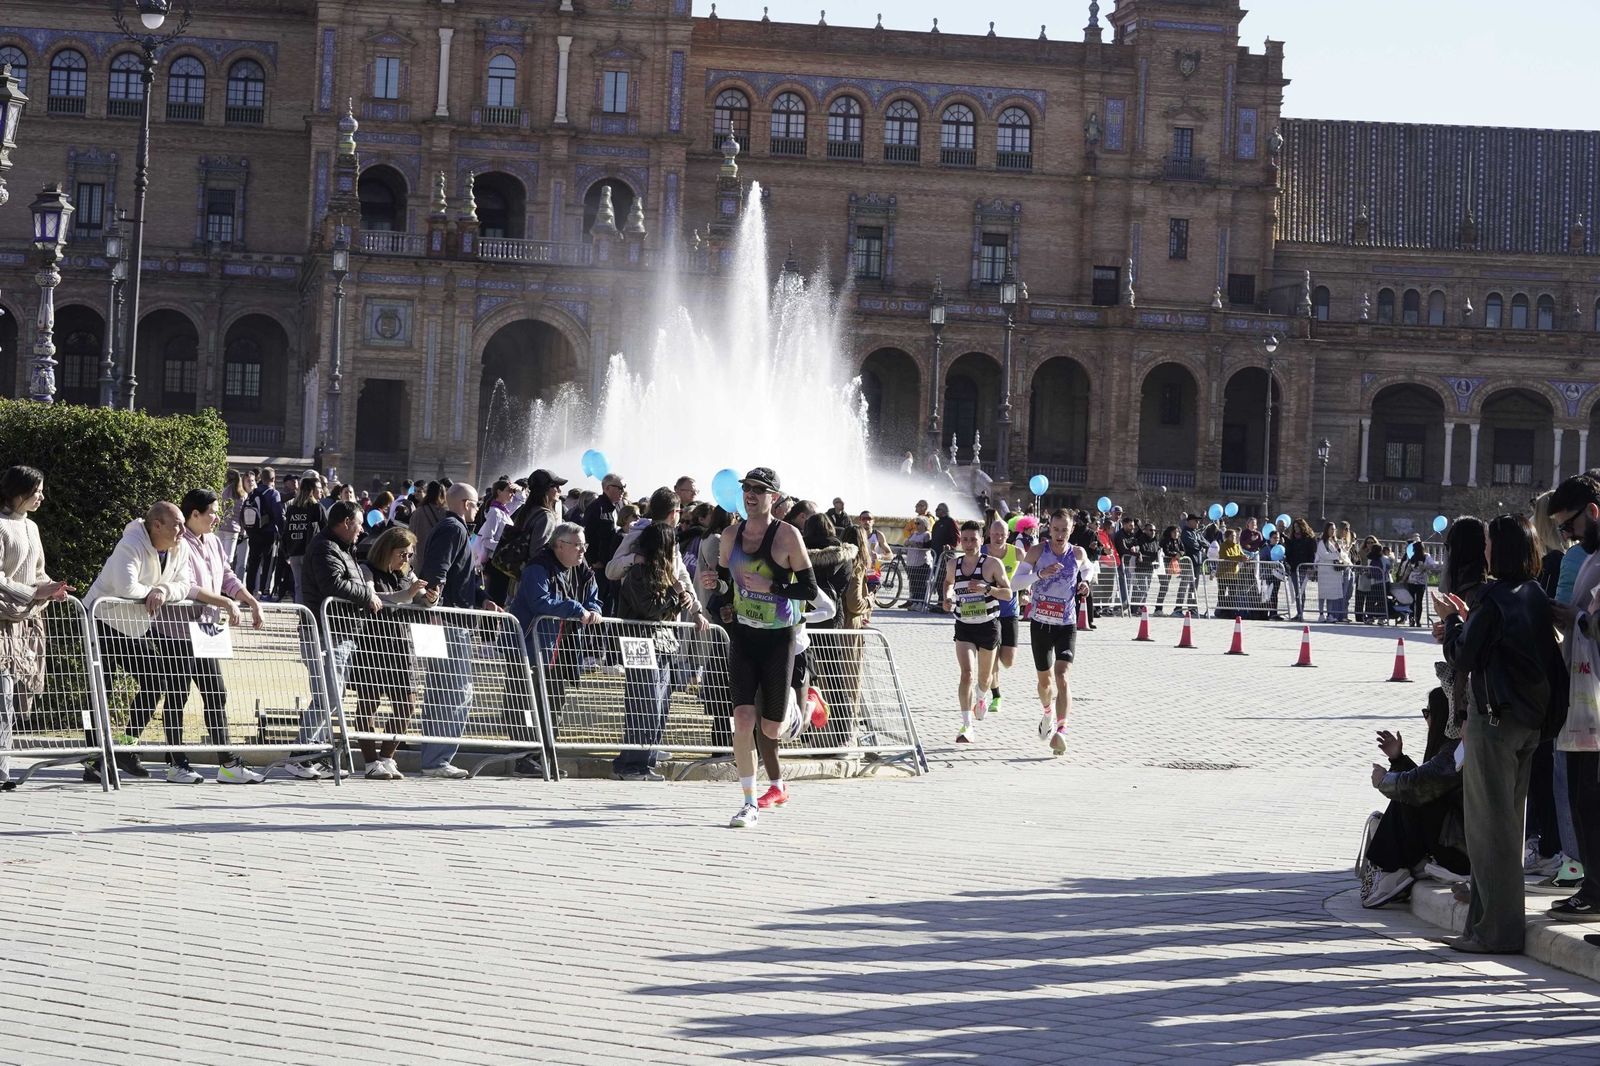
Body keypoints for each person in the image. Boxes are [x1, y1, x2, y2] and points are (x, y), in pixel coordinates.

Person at [1436, 513, 1565, 952]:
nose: (1485, 548)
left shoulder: (1492, 599)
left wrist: (1453, 623)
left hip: (1493, 723)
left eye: (1490, 542)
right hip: (1529, 723)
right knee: (1508, 827)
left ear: (1501, 549)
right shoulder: (1532, 594)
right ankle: (1484, 926)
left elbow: (1462, 657)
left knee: (1489, 833)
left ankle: (1494, 932)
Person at [702, 467, 815, 828]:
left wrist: (773, 588)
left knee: (771, 728)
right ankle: (749, 802)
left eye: (759, 489)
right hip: (744, 637)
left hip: (778, 639)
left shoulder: (788, 537)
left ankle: (798, 708)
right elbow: (721, 584)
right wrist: (714, 587)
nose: (750, 494)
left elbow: (809, 590)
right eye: (746, 488)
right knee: (743, 719)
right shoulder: (730, 535)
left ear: (774, 498)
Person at [83, 503, 193, 782]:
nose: (182, 530)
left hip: (134, 625)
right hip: (101, 619)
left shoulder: (181, 548)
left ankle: (126, 746)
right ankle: (95, 758)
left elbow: (184, 584)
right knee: (100, 689)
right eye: (176, 524)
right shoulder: (130, 544)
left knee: (157, 681)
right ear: (157, 525)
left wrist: (163, 590)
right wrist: (154, 593)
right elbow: (126, 588)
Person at [171, 488, 267, 784]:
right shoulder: (178, 543)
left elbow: (227, 575)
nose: (216, 517)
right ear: (194, 514)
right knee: (177, 695)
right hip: (177, 630)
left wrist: (249, 600)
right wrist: (224, 601)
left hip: (207, 630)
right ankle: (176, 761)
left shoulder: (212, 541)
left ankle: (227, 762)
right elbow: (186, 586)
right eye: (211, 512)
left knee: (216, 692)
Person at [415, 483, 502, 778]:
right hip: (448, 622)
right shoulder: (453, 529)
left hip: (445, 618)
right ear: (465, 504)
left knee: (442, 690)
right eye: (476, 504)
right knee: (455, 691)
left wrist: (483, 599)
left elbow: (459, 574)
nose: (478, 510)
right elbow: (438, 571)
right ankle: (437, 759)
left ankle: (435, 757)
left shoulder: (452, 529)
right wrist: (435, 603)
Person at [614, 522, 708, 781]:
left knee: (660, 703)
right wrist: (675, 595)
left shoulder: (666, 575)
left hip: (663, 643)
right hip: (639, 643)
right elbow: (648, 608)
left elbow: (663, 609)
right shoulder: (638, 572)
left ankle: (646, 761)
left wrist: (682, 599)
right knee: (643, 704)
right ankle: (632, 764)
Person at [1360, 686, 1469, 907]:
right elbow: (1427, 782)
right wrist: (1398, 758)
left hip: (1460, 852)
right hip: (1454, 841)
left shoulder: (1456, 749)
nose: (1425, 719)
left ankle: (1391, 870)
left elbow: (1420, 786)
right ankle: (1393, 869)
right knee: (1409, 795)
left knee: (1407, 797)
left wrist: (1384, 780)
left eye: (1427, 713)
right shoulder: (1450, 749)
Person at [1547, 475, 1600, 920]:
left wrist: (1578, 618)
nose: (1569, 536)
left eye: (1571, 526)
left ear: (1593, 512)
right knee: (1584, 799)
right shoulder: (1590, 557)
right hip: (1587, 699)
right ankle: (1595, 888)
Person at [298, 500, 381, 779]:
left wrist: (364, 590)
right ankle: (300, 754)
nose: (361, 531)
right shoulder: (325, 547)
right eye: (359, 525)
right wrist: (367, 594)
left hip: (341, 631)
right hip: (323, 631)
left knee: (332, 696)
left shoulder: (342, 548)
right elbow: (333, 585)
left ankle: (314, 753)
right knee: (328, 695)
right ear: (346, 522)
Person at [510, 521, 603, 768]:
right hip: (532, 645)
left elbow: (594, 597)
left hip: (564, 649)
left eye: (584, 545)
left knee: (555, 703)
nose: (582, 551)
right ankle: (524, 756)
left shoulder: (583, 570)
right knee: (526, 702)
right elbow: (540, 601)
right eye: (578, 546)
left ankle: (546, 755)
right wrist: (575, 608)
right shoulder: (538, 568)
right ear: (560, 546)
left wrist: (592, 608)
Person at [0, 466, 71, 786]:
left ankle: (2, 768)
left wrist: (52, 588)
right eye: (37, 491)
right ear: (18, 493)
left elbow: (38, 571)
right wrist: (32, 592)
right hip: (4, 620)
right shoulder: (2, 527)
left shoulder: (31, 527)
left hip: (25, 623)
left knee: (10, 696)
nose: (42, 496)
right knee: (3, 694)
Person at [1010, 509, 1093, 756]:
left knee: (1062, 675)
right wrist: (1039, 575)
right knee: (1045, 682)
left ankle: (1061, 730)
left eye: (1064, 530)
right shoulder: (1038, 551)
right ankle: (1047, 713)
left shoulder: (1077, 553)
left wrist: (1084, 583)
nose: (1059, 534)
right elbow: (1015, 583)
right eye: (1056, 529)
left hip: (1066, 623)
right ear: (1049, 528)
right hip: (1041, 624)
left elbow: (1089, 569)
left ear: (1071, 530)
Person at [350, 527, 429, 780]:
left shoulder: (408, 573)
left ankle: (386, 757)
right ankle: (370, 761)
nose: (406, 560)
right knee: (369, 703)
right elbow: (374, 597)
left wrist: (431, 598)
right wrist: (408, 594)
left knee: (407, 704)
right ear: (387, 550)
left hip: (401, 645)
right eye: (402, 554)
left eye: (410, 555)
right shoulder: (367, 569)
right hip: (372, 644)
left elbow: (422, 599)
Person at [942, 519, 1013, 744]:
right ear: (960, 541)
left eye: (973, 539)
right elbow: (948, 583)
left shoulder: (992, 564)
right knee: (967, 674)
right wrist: (946, 597)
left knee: (984, 677)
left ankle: (982, 696)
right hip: (964, 625)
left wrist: (988, 588)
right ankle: (966, 725)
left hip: (988, 625)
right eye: (965, 539)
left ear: (981, 541)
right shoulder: (953, 564)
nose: (969, 543)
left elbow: (1008, 593)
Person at [980, 518, 1022, 715]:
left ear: (1008, 535)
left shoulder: (1017, 552)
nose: (998, 538)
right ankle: (996, 695)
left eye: (1002, 534)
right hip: (988, 611)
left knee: (1008, 660)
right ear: (989, 534)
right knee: (993, 655)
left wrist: (1027, 590)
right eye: (994, 534)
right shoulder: (982, 552)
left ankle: (995, 691)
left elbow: (1028, 573)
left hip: (1010, 610)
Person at [585, 472, 627, 615]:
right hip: (600, 568)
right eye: (620, 487)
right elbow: (587, 535)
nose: (623, 491)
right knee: (599, 606)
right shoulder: (597, 508)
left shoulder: (616, 508)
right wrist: (593, 560)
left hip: (611, 565)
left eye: (624, 487)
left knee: (609, 607)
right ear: (607, 488)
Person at [280, 470, 324, 604]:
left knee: (298, 586)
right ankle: (309, 616)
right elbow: (326, 527)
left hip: (293, 552)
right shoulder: (315, 507)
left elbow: (286, 531)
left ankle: (301, 614)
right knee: (311, 586)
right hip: (309, 552)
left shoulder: (292, 508)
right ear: (312, 490)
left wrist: (286, 551)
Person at [475, 477, 518, 606]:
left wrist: (517, 488)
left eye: (512, 491)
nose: (512, 494)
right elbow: (487, 540)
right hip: (495, 563)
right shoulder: (495, 512)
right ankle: (488, 625)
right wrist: (504, 548)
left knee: (499, 599)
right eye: (509, 491)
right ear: (499, 492)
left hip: (500, 562)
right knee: (495, 599)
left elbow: (520, 499)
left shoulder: (503, 510)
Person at [243, 467, 283, 599]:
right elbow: (278, 515)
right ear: (273, 479)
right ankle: (264, 591)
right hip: (268, 532)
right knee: (268, 563)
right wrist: (282, 531)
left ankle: (249, 590)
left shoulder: (254, 492)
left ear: (261, 478)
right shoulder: (273, 493)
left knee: (253, 562)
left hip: (254, 532)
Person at [216, 469, 249, 576]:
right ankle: (226, 580)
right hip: (234, 528)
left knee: (218, 556)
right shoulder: (243, 494)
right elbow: (242, 515)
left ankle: (218, 579)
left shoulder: (222, 491)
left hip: (221, 526)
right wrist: (243, 530)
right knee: (229, 558)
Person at [1314, 521, 1348, 621]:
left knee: (1331, 595)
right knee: (1322, 594)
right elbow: (1324, 555)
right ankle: (1321, 614)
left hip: (1333, 572)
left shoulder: (1334, 542)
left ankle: (1330, 614)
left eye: (1334, 529)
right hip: (1324, 572)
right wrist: (1337, 554)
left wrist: (1339, 551)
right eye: (1331, 529)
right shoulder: (1322, 542)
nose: (1333, 531)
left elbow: (1340, 554)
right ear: (1327, 530)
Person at [928, 503, 959, 610]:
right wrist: (923, 545)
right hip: (936, 556)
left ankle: (944, 604)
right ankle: (940, 602)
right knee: (938, 580)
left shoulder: (950, 522)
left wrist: (950, 546)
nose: (936, 511)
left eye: (938, 509)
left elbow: (956, 538)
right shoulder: (937, 523)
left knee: (945, 580)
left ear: (944, 511)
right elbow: (934, 540)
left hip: (946, 557)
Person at [1396, 538, 1431, 627]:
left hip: (1413, 582)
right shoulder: (1423, 557)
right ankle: (1416, 620)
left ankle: (1413, 619)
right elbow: (1409, 569)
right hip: (1419, 583)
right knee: (1418, 602)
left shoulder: (1418, 557)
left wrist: (1403, 579)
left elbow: (1408, 570)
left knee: (1413, 602)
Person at [407, 481, 448, 550]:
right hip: (441, 553)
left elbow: (410, 534)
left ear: (427, 493)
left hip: (421, 553)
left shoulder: (419, 512)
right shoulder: (448, 513)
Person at [903, 516, 932, 610]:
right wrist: (907, 543)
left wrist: (914, 544)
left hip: (922, 562)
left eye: (918, 523)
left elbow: (927, 547)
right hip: (911, 562)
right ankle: (915, 602)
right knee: (914, 583)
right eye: (915, 523)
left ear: (925, 525)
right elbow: (906, 542)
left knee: (921, 584)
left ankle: (921, 603)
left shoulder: (927, 534)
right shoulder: (914, 533)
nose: (916, 525)